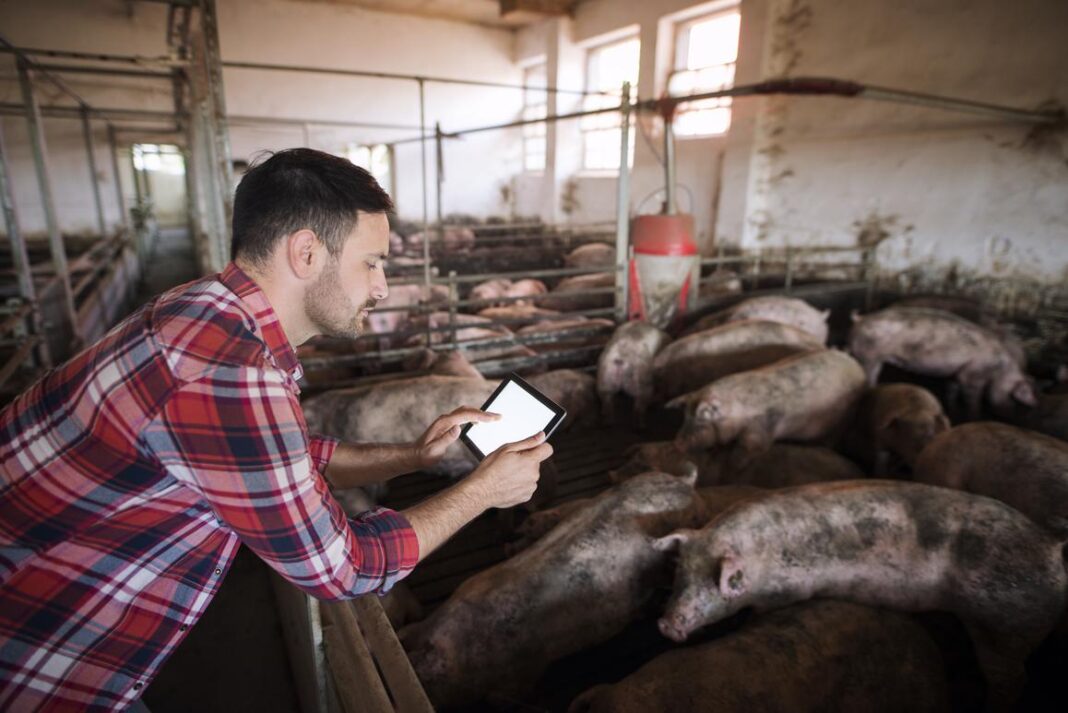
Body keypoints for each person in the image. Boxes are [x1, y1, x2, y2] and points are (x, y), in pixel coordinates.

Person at [0, 148, 551, 711]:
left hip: (51, 607)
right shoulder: (236, 375)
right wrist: (483, 490)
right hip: (43, 660)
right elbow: (346, 569)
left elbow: (276, 455)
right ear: (307, 252)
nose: (383, 287)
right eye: (372, 262)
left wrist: (412, 456)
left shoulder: (198, 309)